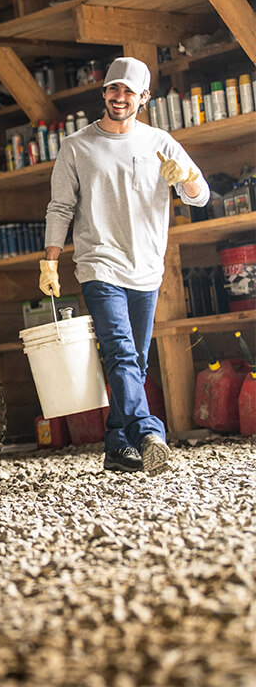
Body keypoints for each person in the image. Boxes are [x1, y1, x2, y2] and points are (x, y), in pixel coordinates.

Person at [40, 56, 208, 474]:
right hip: (99, 264)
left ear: (144, 97)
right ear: (104, 92)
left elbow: (200, 196)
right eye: (113, 88)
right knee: (120, 352)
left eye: (129, 91)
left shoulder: (160, 142)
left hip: (147, 266)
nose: (120, 97)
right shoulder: (76, 146)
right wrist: (50, 261)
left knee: (136, 360)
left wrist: (185, 178)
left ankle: (117, 443)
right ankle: (149, 432)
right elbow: (60, 207)